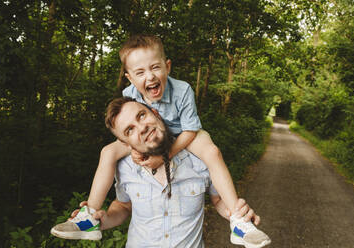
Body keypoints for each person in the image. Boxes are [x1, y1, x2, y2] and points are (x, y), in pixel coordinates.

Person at [51, 34, 271, 247]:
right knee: (107, 152)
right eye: (140, 72)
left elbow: (191, 130)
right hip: (154, 144)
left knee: (211, 151)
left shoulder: (182, 90)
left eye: (155, 67)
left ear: (168, 66)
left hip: (184, 135)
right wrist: (134, 149)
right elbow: (123, 205)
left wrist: (164, 156)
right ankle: (88, 216)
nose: (150, 77)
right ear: (130, 78)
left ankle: (239, 222)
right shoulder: (130, 97)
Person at [58, 97, 269, 248]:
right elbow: (123, 206)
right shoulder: (123, 166)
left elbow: (217, 200)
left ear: (156, 113)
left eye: (142, 115)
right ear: (124, 143)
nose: (141, 128)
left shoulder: (200, 157)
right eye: (129, 130)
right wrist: (104, 219)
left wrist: (237, 213)